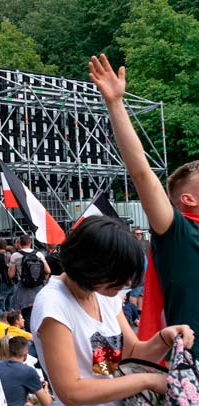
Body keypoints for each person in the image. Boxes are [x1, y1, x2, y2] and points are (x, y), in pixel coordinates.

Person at [31, 216, 195, 406]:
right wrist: (147, 380)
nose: (127, 283)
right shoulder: (54, 306)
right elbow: (71, 391)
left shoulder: (104, 296)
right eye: (119, 275)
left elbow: (132, 354)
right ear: (92, 266)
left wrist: (165, 337)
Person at [89, 54, 199, 354]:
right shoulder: (180, 233)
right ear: (187, 200)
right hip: (193, 372)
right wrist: (114, 102)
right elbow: (140, 171)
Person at [8, 235, 50, 332]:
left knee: (26, 314)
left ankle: (30, 336)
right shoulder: (39, 254)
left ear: (19, 244)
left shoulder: (15, 255)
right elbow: (48, 270)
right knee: (39, 312)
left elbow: (11, 274)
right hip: (38, 288)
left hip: (23, 288)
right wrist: (40, 280)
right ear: (30, 243)